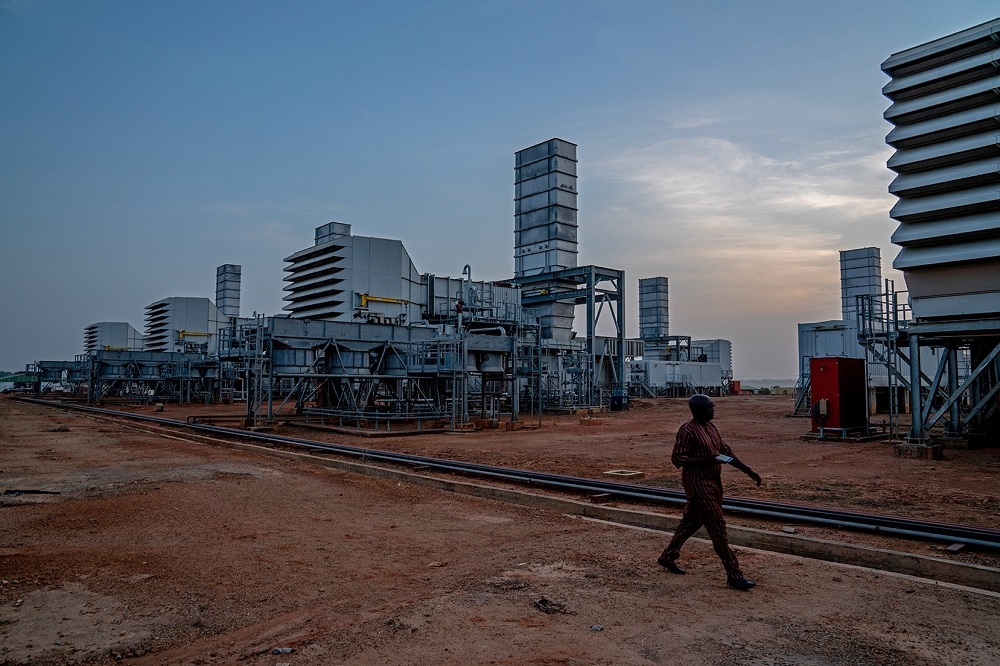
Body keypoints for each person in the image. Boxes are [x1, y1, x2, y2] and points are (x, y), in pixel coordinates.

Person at [657, 394, 761, 590]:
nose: (713, 410)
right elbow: (678, 459)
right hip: (698, 485)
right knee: (717, 527)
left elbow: (725, 454)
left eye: (713, 406)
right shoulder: (688, 430)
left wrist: (747, 470)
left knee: (691, 523)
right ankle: (734, 574)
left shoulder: (711, 428)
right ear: (697, 410)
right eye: (710, 407)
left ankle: (667, 556)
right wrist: (708, 460)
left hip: (714, 483)